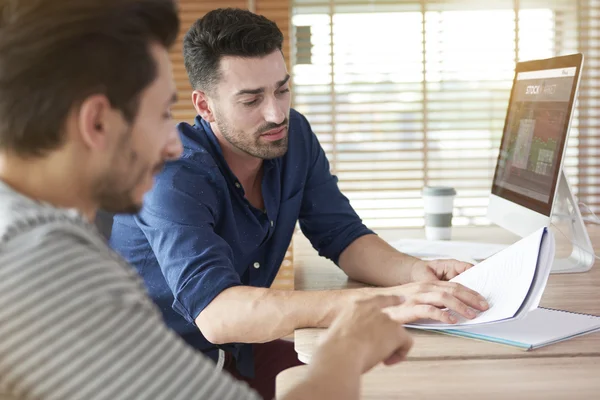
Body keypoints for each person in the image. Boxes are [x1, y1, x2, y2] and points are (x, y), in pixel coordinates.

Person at [0, 1, 414, 399]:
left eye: (281, 91)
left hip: (218, 357)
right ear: (97, 123)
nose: (172, 145)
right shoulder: (40, 260)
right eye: (162, 114)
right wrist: (348, 348)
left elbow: (340, 231)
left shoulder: (41, 234)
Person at [109, 7, 490, 399]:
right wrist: (379, 303)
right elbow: (218, 315)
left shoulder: (294, 137)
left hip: (238, 355)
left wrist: (415, 273)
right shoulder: (172, 174)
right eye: (251, 99)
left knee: (393, 382)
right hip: (156, 377)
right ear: (204, 107)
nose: (276, 113)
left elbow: (342, 235)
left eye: (281, 89)